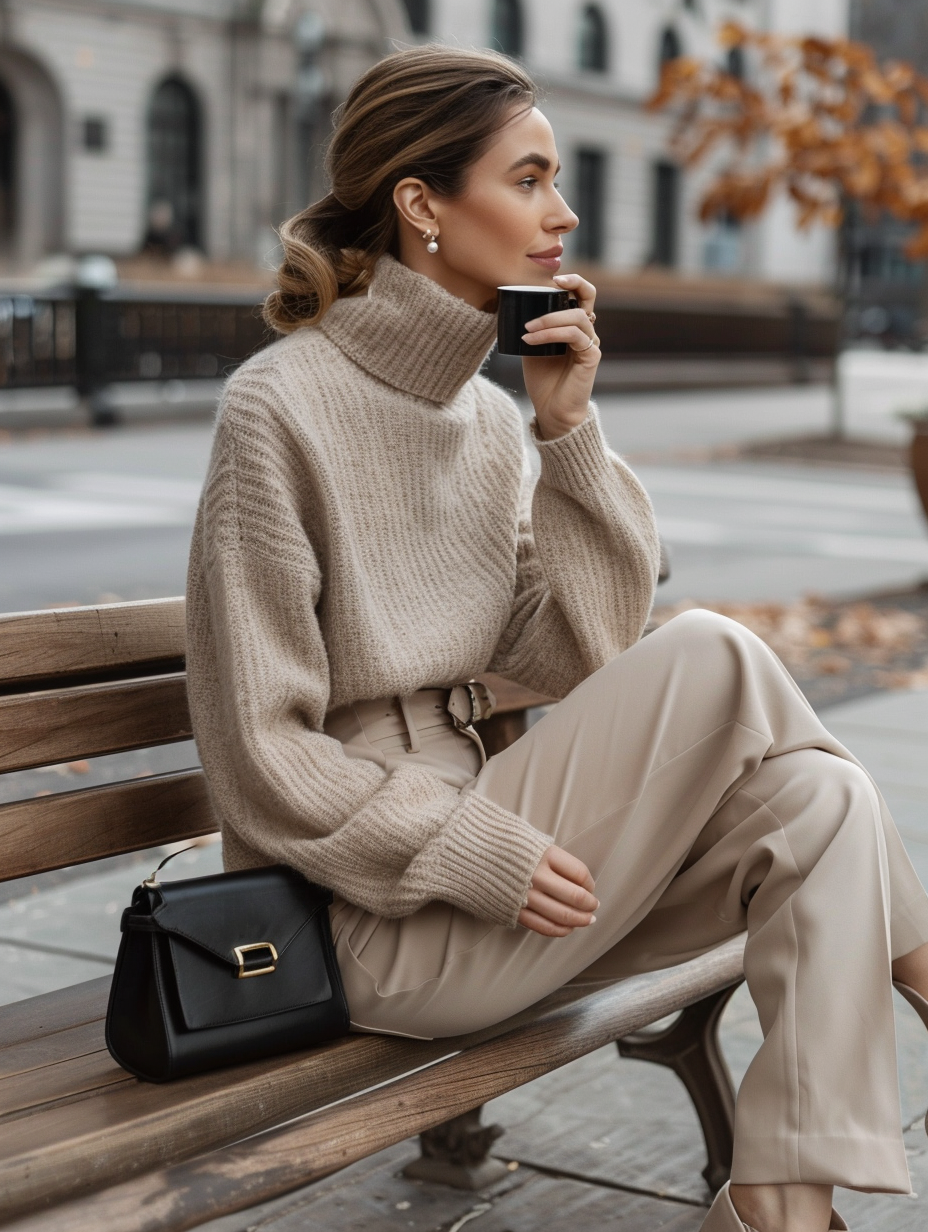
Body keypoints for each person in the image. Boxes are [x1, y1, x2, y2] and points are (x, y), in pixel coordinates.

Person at [185, 45, 928, 1232]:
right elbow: (254, 750)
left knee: (819, 807)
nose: (562, 213)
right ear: (424, 205)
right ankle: (922, 956)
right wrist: (464, 840)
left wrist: (567, 436)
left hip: (526, 885)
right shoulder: (278, 408)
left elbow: (579, 654)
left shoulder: (488, 419)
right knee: (715, 652)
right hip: (383, 924)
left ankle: (779, 1212)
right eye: (528, 179)